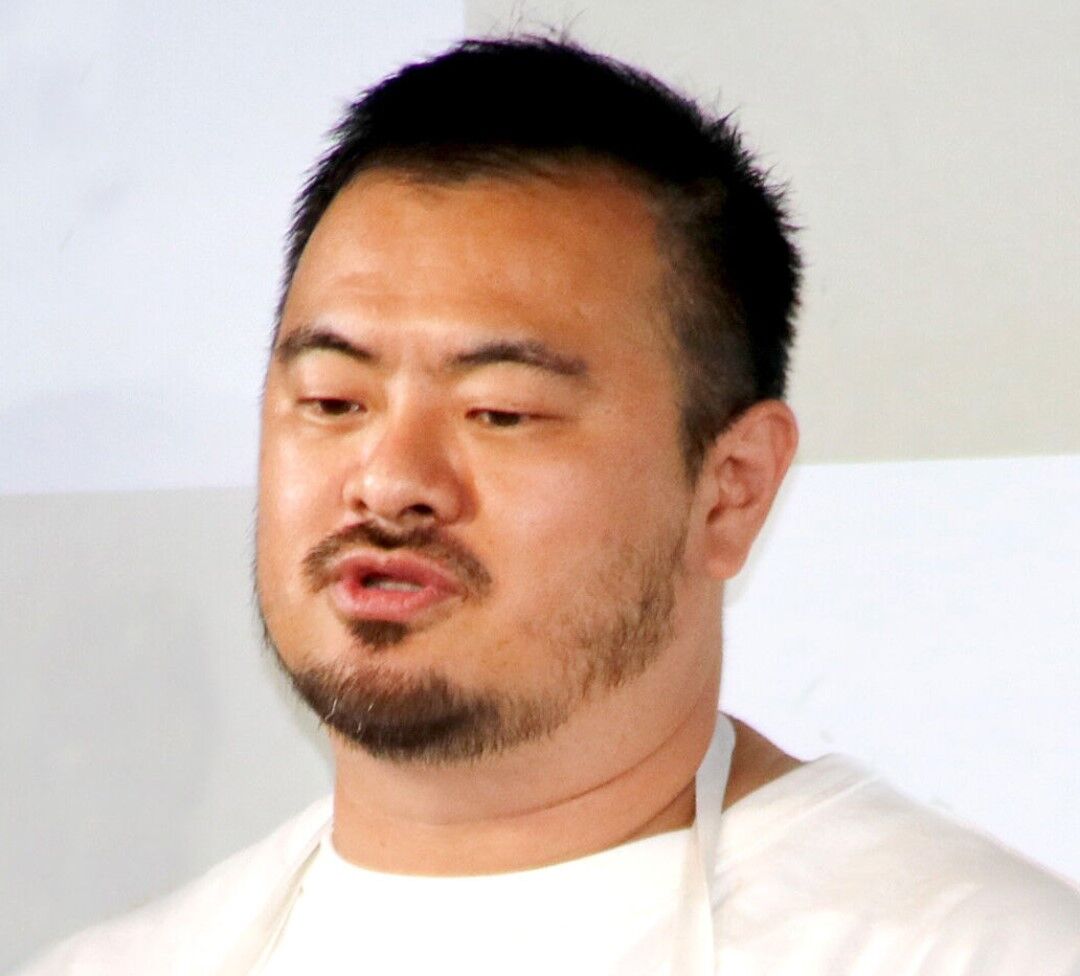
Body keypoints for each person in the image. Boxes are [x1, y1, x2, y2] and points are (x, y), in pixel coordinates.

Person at [19, 35, 1080, 976]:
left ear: (733, 488)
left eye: (500, 412)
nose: (389, 479)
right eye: (335, 400)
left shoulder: (967, 952)